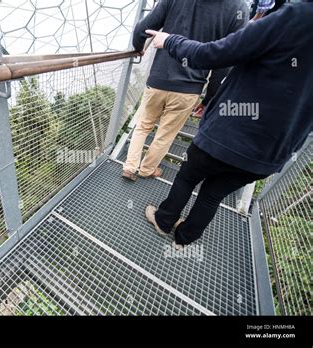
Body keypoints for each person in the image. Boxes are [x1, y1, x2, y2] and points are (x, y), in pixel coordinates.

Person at [143, 1, 313, 250]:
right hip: (270, 153)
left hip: (228, 134)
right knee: (213, 194)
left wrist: (170, 41)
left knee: (188, 176)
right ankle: (184, 239)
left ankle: (164, 220)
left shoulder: (298, 16)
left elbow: (213, 54)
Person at [122, 0, 249, 182]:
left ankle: (129, 167)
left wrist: (138, 47)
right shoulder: (239, 8)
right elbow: (225, 63)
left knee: (143, 125)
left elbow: (142, 28)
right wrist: (209, 99)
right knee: (165, 134)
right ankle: (146, 170)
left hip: (158, 79)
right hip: (188, 88)